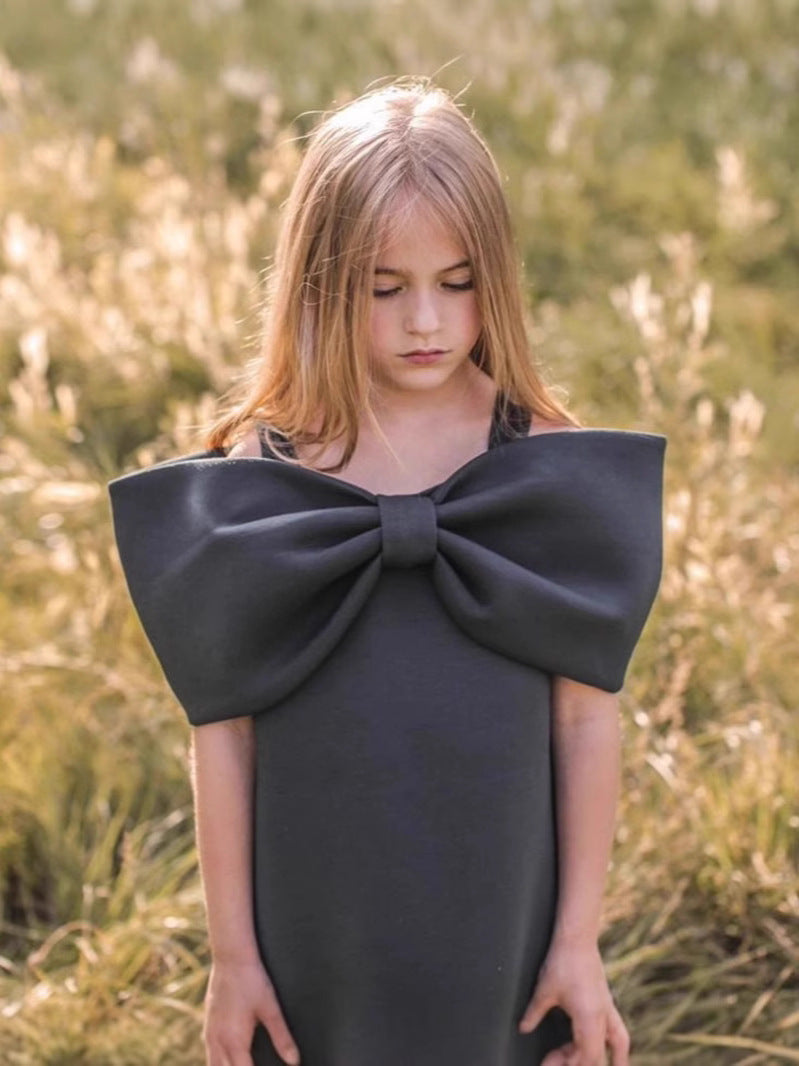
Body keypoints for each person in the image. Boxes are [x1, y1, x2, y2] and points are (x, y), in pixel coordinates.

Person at [107, 76, 666, 1066]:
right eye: (383, 287)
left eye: (457, 282)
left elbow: (585, 720)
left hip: (501, 921)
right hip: (313, 923)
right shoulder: (263, 472)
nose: (425, 322)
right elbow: (223, 732)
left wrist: (577, 942)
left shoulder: (544, 465)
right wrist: (232, 957)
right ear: (318, 281)